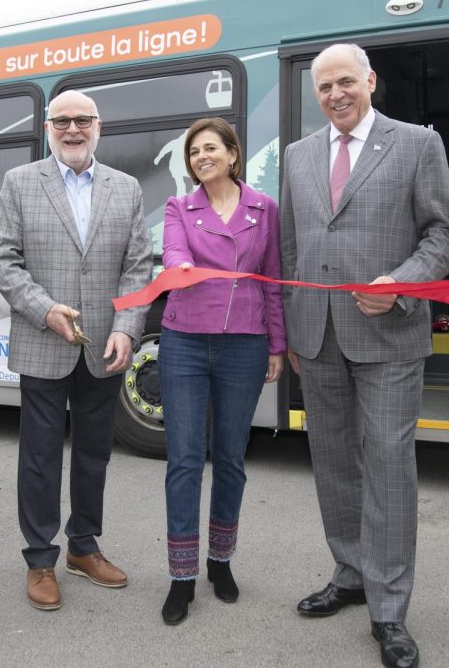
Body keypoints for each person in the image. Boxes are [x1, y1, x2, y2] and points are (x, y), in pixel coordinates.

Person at [280, 43, 449, 668]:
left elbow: (442, 234)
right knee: (333, 463)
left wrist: (400, 285)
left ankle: (389, 609)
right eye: (324, 86)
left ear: (371, 81)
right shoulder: (300, 156)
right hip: (318, 337)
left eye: (346, 82)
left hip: (389, 338)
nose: (335, 95)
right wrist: (295, 329)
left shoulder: (417, 144)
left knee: (388, 467)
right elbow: (292, 250)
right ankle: (350, 572)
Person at [0, 90, 153, 611]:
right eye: (62, 121)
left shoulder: (125, 188)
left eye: (83, 120)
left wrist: (127, 327)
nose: (73, 129)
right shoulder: (20, 182)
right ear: (48, 128)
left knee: (93, 454)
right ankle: (40, 559)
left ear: (99, 126)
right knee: (39, 457)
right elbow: (3, 259)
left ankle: (84, 547)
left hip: (103, 344)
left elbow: (138, 265)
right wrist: (44, 309)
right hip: (44, 339)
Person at [157, 118, 286, 625]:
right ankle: (181, 576)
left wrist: (277, 343)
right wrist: (180, 266)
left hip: (245, 346)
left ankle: (220, 562)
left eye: (210, 148)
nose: (200, 157)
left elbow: (272, 279)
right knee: (185, 460)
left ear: (233, 154)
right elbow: (173, 251)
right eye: (194, 152)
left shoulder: (264, 209)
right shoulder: (178, 208)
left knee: (231, 458)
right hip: (185, 341)